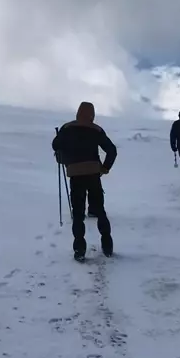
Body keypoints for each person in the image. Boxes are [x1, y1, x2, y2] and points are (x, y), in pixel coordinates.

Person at [52, 101, 117, 261]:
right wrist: (105, 168)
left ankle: (79, 250)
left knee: (78, 213)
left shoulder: (67, 128)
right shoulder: (96, 130)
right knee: (100, 210)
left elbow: (55, 145)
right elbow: (112, 150)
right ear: (92, 115)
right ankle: (107, 246)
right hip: (93, 173)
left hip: (75, 173)